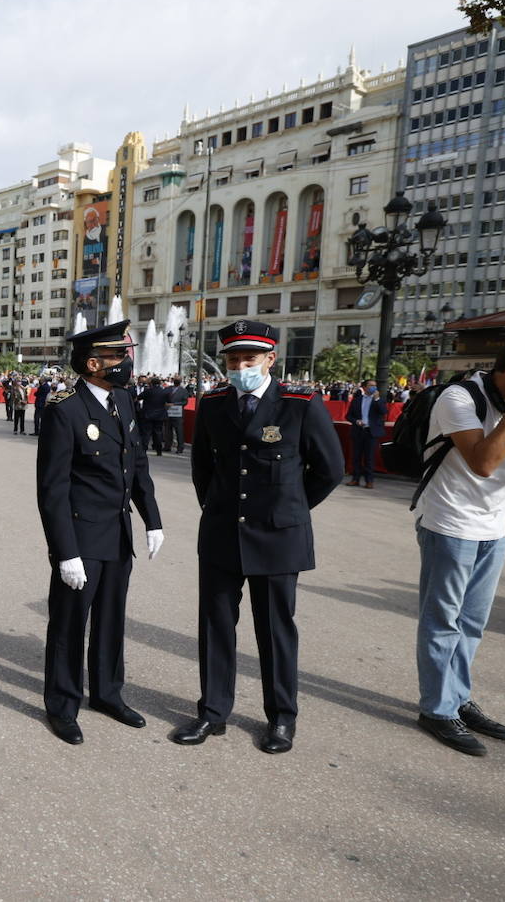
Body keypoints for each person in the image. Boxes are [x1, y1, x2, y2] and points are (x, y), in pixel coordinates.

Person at [170, 320, 343, 754]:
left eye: (249, 359)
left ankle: (282, 718)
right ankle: (213, 713)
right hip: (223, 533)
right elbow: (202, 468)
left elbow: (330, 469)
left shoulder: (300, 403)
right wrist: (216, 507)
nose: (240, 366)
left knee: (275, 630)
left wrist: (292, 511)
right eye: (233, 360)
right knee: (215, 627)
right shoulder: (213, 403)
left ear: (270, 359)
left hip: (278, 537)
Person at [412, 329, 505, 755]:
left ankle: (457, 697)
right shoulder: (460, 398)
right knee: (442, 622)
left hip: (494, 528)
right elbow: (485, 463)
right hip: (450, 524)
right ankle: (436, 708)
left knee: (471, 624)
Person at [36, 322, 163, 744]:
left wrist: (153, 518)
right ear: (93, 364)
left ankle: (107, 693)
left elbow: (136, 463)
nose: (126, 364)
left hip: (117, 533)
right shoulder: (64, 407)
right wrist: (65, 551)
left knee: (111, 620)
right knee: (70, 624)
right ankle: (63, 704)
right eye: (118, 358)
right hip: (81, 537)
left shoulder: (123, 399)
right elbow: (52, 488)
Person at [345, 378, 387, 489]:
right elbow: (348, 416)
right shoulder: (357, 400)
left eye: (375, 385)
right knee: (356, 457)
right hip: (358, 431)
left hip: (371, 432)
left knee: (369, 457)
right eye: (370, 385)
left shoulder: (379, 400)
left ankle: (369, 481)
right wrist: (356, 421)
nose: (373, 387)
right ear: (364, 387)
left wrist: (377, 399)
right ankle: (355, 479)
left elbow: (383, 412)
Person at [139, 376, 169, 456]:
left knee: (146, 433)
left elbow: (138, 398)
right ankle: (159, 451)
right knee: (158, 433)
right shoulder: (164, 392)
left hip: (148, 415)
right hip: (159, 415)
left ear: (151, 383)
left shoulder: (148, 391)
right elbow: (168, 402)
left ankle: (143, 450)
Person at [165, 377, 189, 453]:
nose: (176, 381)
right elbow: (164, 397)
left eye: (178, 380)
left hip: (178, 414)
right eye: (176, 379)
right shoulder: (168, 389)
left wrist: (174, 404)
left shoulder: (184, 390)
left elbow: (185, 402)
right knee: (168, 431)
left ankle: (180, 448)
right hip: (168, 413)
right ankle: (167, 446)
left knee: (179, 431)